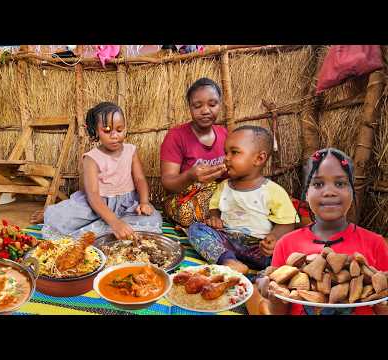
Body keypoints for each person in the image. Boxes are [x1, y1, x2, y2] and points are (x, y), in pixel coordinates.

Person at [257, 148, 388, 315]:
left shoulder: (374, 243)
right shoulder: (287, 244)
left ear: (352, 192)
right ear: (305, 193)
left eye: (340, 183)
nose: (329, 192)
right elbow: (280, 310)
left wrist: (383, 298)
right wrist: (273, 296)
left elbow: (381, 306)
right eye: (318, 184)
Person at [40, 102, 162, 240]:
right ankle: (50, 214)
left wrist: (144, 202)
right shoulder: (91, 158)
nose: (115, 135)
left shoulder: (131, 151)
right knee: (60, 218)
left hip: (127, 205)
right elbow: (92, 195)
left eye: (120, 129)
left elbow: (140, 179)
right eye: (107, 130)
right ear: (96, 131)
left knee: (153, 219)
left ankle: (102, 228)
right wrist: (115, 222)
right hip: (96, 205)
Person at [188, 125, 298, 274]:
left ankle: (263, 276)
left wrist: (273, 238)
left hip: (259, 248)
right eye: (226, 153)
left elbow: (287, 222)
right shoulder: (223, 186)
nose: (226, 158)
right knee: (196, 229)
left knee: (286, 253)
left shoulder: (273, 191)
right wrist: (214, 218)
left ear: (259, 158)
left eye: (234, 152)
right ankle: (229, 261)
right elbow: (215, 207)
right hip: (226, 242)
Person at [160, 77, 228, 228]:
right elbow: (168, 183)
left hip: (221, 196)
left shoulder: (225, 134)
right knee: (186, 212)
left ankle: (216, 218)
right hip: (187, 196)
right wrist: (190, 176)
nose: (205, 111)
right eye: (197, 106)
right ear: (189, 107)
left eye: (212, 104)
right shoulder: (176, 136)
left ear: (220, 104)